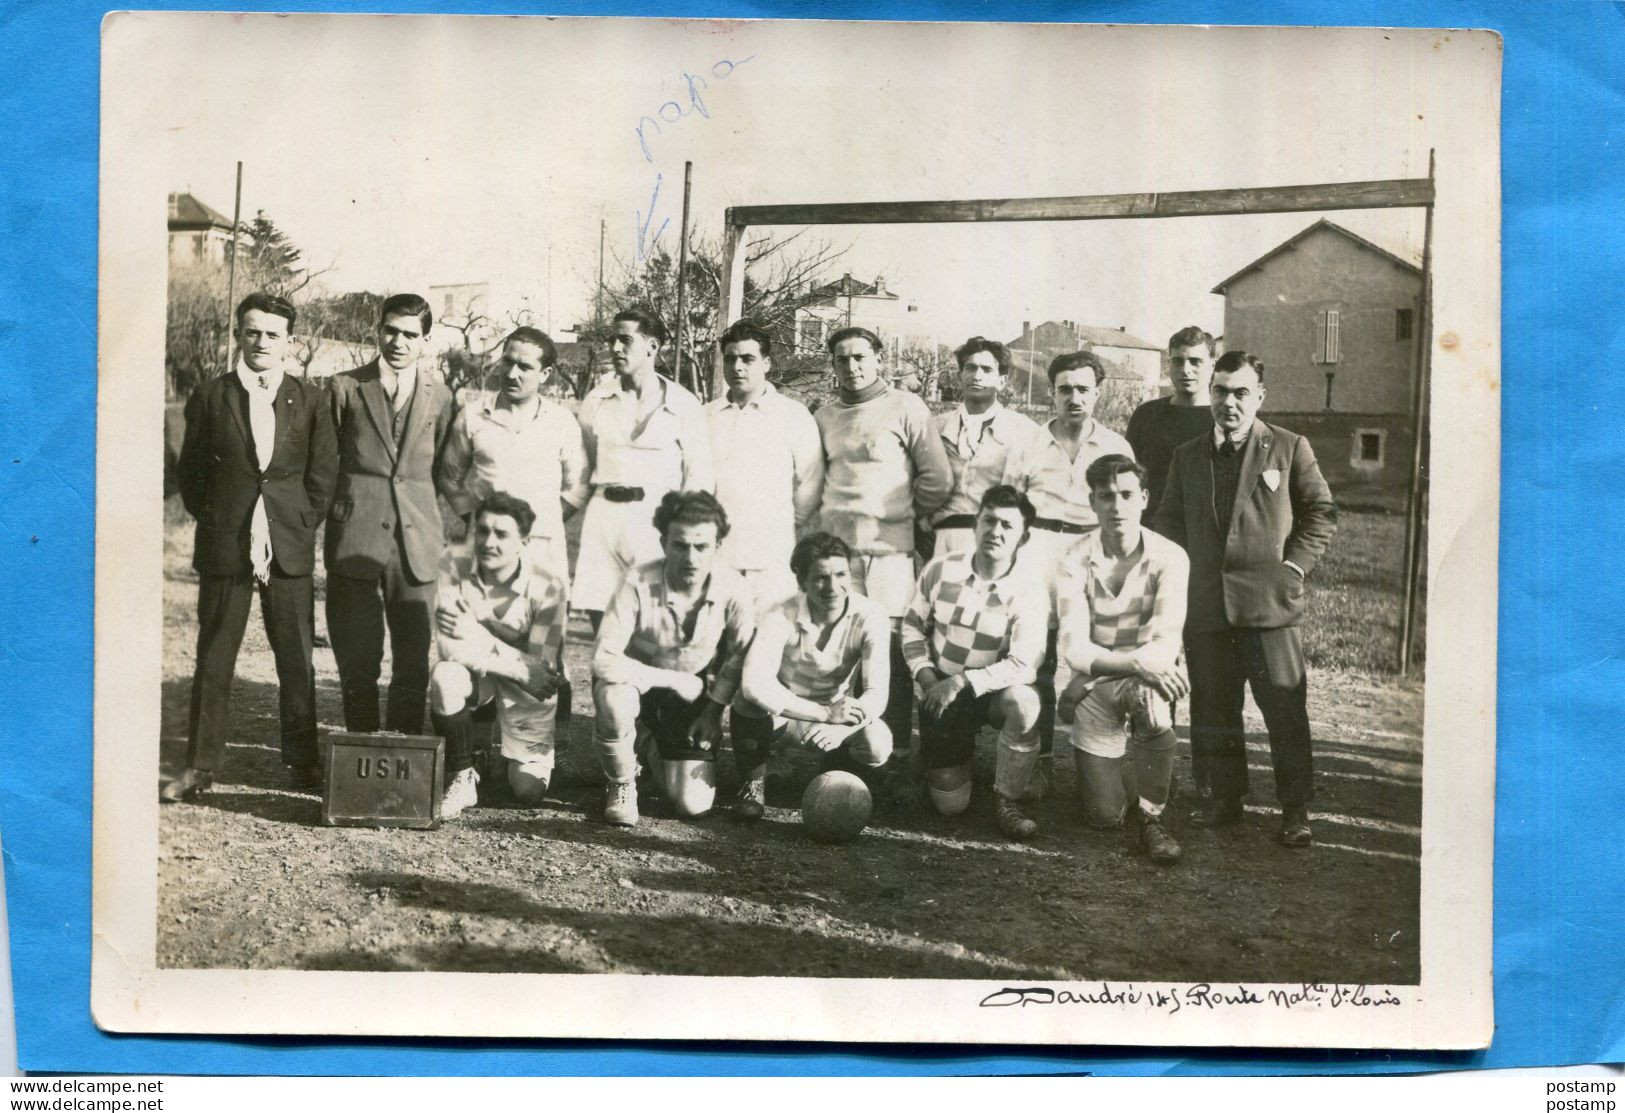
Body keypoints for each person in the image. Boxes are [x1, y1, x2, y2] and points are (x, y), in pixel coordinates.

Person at [1154, 350, 1337, 847]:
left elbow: (1320, 512)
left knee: (1284, 708)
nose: (1228, 403)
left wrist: (1294, 567)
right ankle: (1226, 799)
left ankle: (1296, 809)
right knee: (1214, 708)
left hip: (1269, 607)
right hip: (1208, 607)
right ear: (1209, 393)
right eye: (1220, 391)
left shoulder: (1289, 447)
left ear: (1260, 396)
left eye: (1240, 393)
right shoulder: (1188, 456)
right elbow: (1168, 525)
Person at [163, 293, 338, 801]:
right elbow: (191, 475)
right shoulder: (211, 395)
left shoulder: (310, 399)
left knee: (296, 659)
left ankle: (303, 763)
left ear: (290, 342)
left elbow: (323, 477)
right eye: (252, 331)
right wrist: (220, 522)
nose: (261, 342)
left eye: (272, 334)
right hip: (226, 546)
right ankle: (199, 767)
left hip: (288, 545)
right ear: (238, 334)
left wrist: (298, 522)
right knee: (214, 657)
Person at [814, 325, 953, 782]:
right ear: (832, 365)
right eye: (841, 359)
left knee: (888, 654)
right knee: (838, 651)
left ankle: (887, 758)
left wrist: (903, 517)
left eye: (860, 357)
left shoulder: (906, 406)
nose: (851, 368)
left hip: (890, 556)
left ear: (878, 360)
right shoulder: (825, 415)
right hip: (838, 556)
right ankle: (838, 753)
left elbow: (937, 478)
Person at [1000, 349, 1135, 793]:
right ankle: (1036, 761)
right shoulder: (1029, 442)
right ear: (1051, 393)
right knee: (1036, 657)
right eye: (1064, 389)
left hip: (1092, 549)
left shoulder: (1116, 445)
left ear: (1097, 393)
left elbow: (1127, 511)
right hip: (1039, 547)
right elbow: (1011, 506)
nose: (1073, 398)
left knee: (1094, 654)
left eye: (1082, 389)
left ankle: (1096, 759)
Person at [325, 293, 455, 735]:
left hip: (417, 539)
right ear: (378, 330)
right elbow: (326, 461)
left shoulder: (441, 397)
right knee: (357, 655)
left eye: (410, 335)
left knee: (413, 657)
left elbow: (444, 470)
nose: (398, 342)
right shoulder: (344, 386)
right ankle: (359, 750)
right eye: (391, 331)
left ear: (426, 341)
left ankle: (404, 755)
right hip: (355, 533)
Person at [1056, 455, 1191, 865]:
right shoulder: (1072, 559)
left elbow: (1165, 645)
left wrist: (1093, 678)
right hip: (1099, 677)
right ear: (1093, 503)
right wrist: (1096, 679)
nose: (1117, 506)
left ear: (1145, 499)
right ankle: (1140, 773)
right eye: (1106, 497)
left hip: (1135, 678)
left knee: (1151, 697)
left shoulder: (1171, 557)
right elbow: (1073, 646)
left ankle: (1153, 818)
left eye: (1127, 495)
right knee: (1105, 816)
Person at [591, 491, 754, 825]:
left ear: (717, 547)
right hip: (637, 687)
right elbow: (603, 660)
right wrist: (677, 680)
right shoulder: (637, 580)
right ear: (664, 543)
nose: (691, 558)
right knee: (613, 697)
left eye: (701, 546)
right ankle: (621, 784)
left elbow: (740, 654)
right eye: (680, 545)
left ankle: (646, 745)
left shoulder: (734, 588)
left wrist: (713, 710)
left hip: (688, 701)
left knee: (692, 805)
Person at [901, 485, 1048, 840]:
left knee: (1025, 702)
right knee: (951, 807)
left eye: (1007, 526)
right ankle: (946, 757)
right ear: (976, 524)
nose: (995, 531)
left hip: (992, 692)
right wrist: (927, 676)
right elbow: (911, 626)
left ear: (1023, 538)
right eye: (989, 520)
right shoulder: (940, 569)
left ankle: (1007, 798)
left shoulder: (1030, 587)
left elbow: (1025, 664)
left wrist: (963, 681)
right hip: (940, 690)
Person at [731, 532, 894, 820]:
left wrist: (841, 727)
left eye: (841, 574)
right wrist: (823, 713)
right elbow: (755, 684)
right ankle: (753, 783)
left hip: (834, 717)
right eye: (821, 577)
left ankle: (838, 773)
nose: (833, 587)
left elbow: (877, 693)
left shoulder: (871, 614)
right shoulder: (779, 612)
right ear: (801, 579)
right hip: (783, 715)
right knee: (747, 701)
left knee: (878, 742)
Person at [430, 493, 569, 819]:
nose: (488, 542)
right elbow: (450, 648)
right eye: (482, 531)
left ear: (524, 541)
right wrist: (514, 665)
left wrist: (473, 630)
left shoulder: (549, 585)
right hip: (495, 675)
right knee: (445, 676)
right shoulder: (453, 563)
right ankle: (463, 775)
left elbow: (540, 667)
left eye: (501, 534)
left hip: (528, 689)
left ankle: (504, 749)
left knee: (527, 791)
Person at [574, 308, 713, 628]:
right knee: (604, 628)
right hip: (604, 520)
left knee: (656, 628)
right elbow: (588, 463)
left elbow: (698, 476)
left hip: (657, 524)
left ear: (652, 347)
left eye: (625, 340)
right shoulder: (596, 400)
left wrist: (683, 533)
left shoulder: (683, 404)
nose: (615, 348)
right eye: (612, 340)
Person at [1124, 326, 1217, 798]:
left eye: (1196, 361)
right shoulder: (1147, 416)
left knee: (1203, 667)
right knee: (1153, 654)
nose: (1185, 370)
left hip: (1203, 557)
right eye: (1178, 360)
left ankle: (1205, 777)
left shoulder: (1220, 415)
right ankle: (1150, 761)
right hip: (1149, 548)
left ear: (1211, 365)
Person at [439, 327, 588, 584]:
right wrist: (481, 521)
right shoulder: (472, 415)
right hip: (487, 547)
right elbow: (450, 479)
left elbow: (577, 487)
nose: (511, 373)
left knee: (544, 620)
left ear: (545, 374)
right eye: (507, 362)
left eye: (524, 367)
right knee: (480, 618)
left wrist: (534, 524)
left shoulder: (563, 422)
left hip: (543, 548)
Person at [705, 319, 823, 612]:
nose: (737, 367)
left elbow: (811, 480)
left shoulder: (792, 416)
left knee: (767, 642)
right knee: (715, 644)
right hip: (716, 554)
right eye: (730, 359)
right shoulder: (705, 416)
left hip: (772, 554)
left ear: (767, 363)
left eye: (748, 359)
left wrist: (782, 524)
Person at [927, 336, 1040, 556]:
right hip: (942, 539)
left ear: (1001, 381)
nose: (977, 376)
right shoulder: (935, 427)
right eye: (970, 368)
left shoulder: (1025, 431)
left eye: (987, 370)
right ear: (960, 376)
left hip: (998, 539)